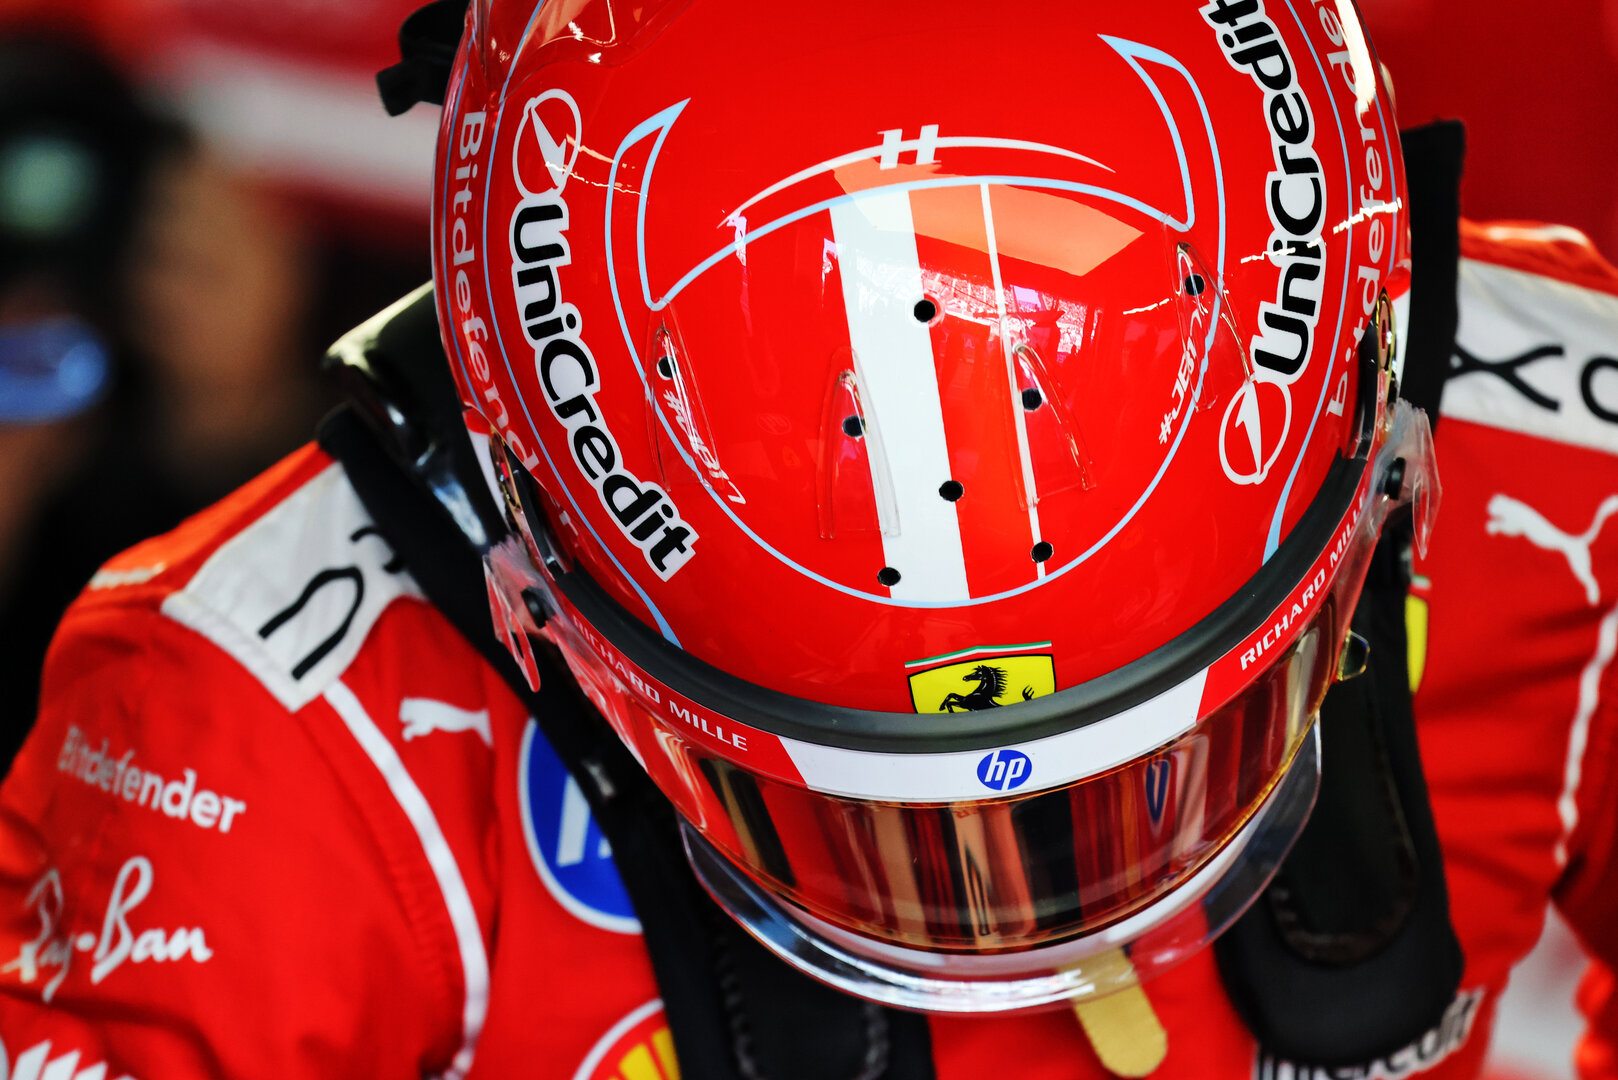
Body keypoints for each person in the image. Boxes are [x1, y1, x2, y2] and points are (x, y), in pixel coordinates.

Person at [0, 2, 1613, 1078]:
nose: (1037, 904)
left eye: (1141, 767)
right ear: (537, 583)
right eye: (884, 826)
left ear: (1382, 448)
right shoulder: (252, 720)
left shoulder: (1566, 451)